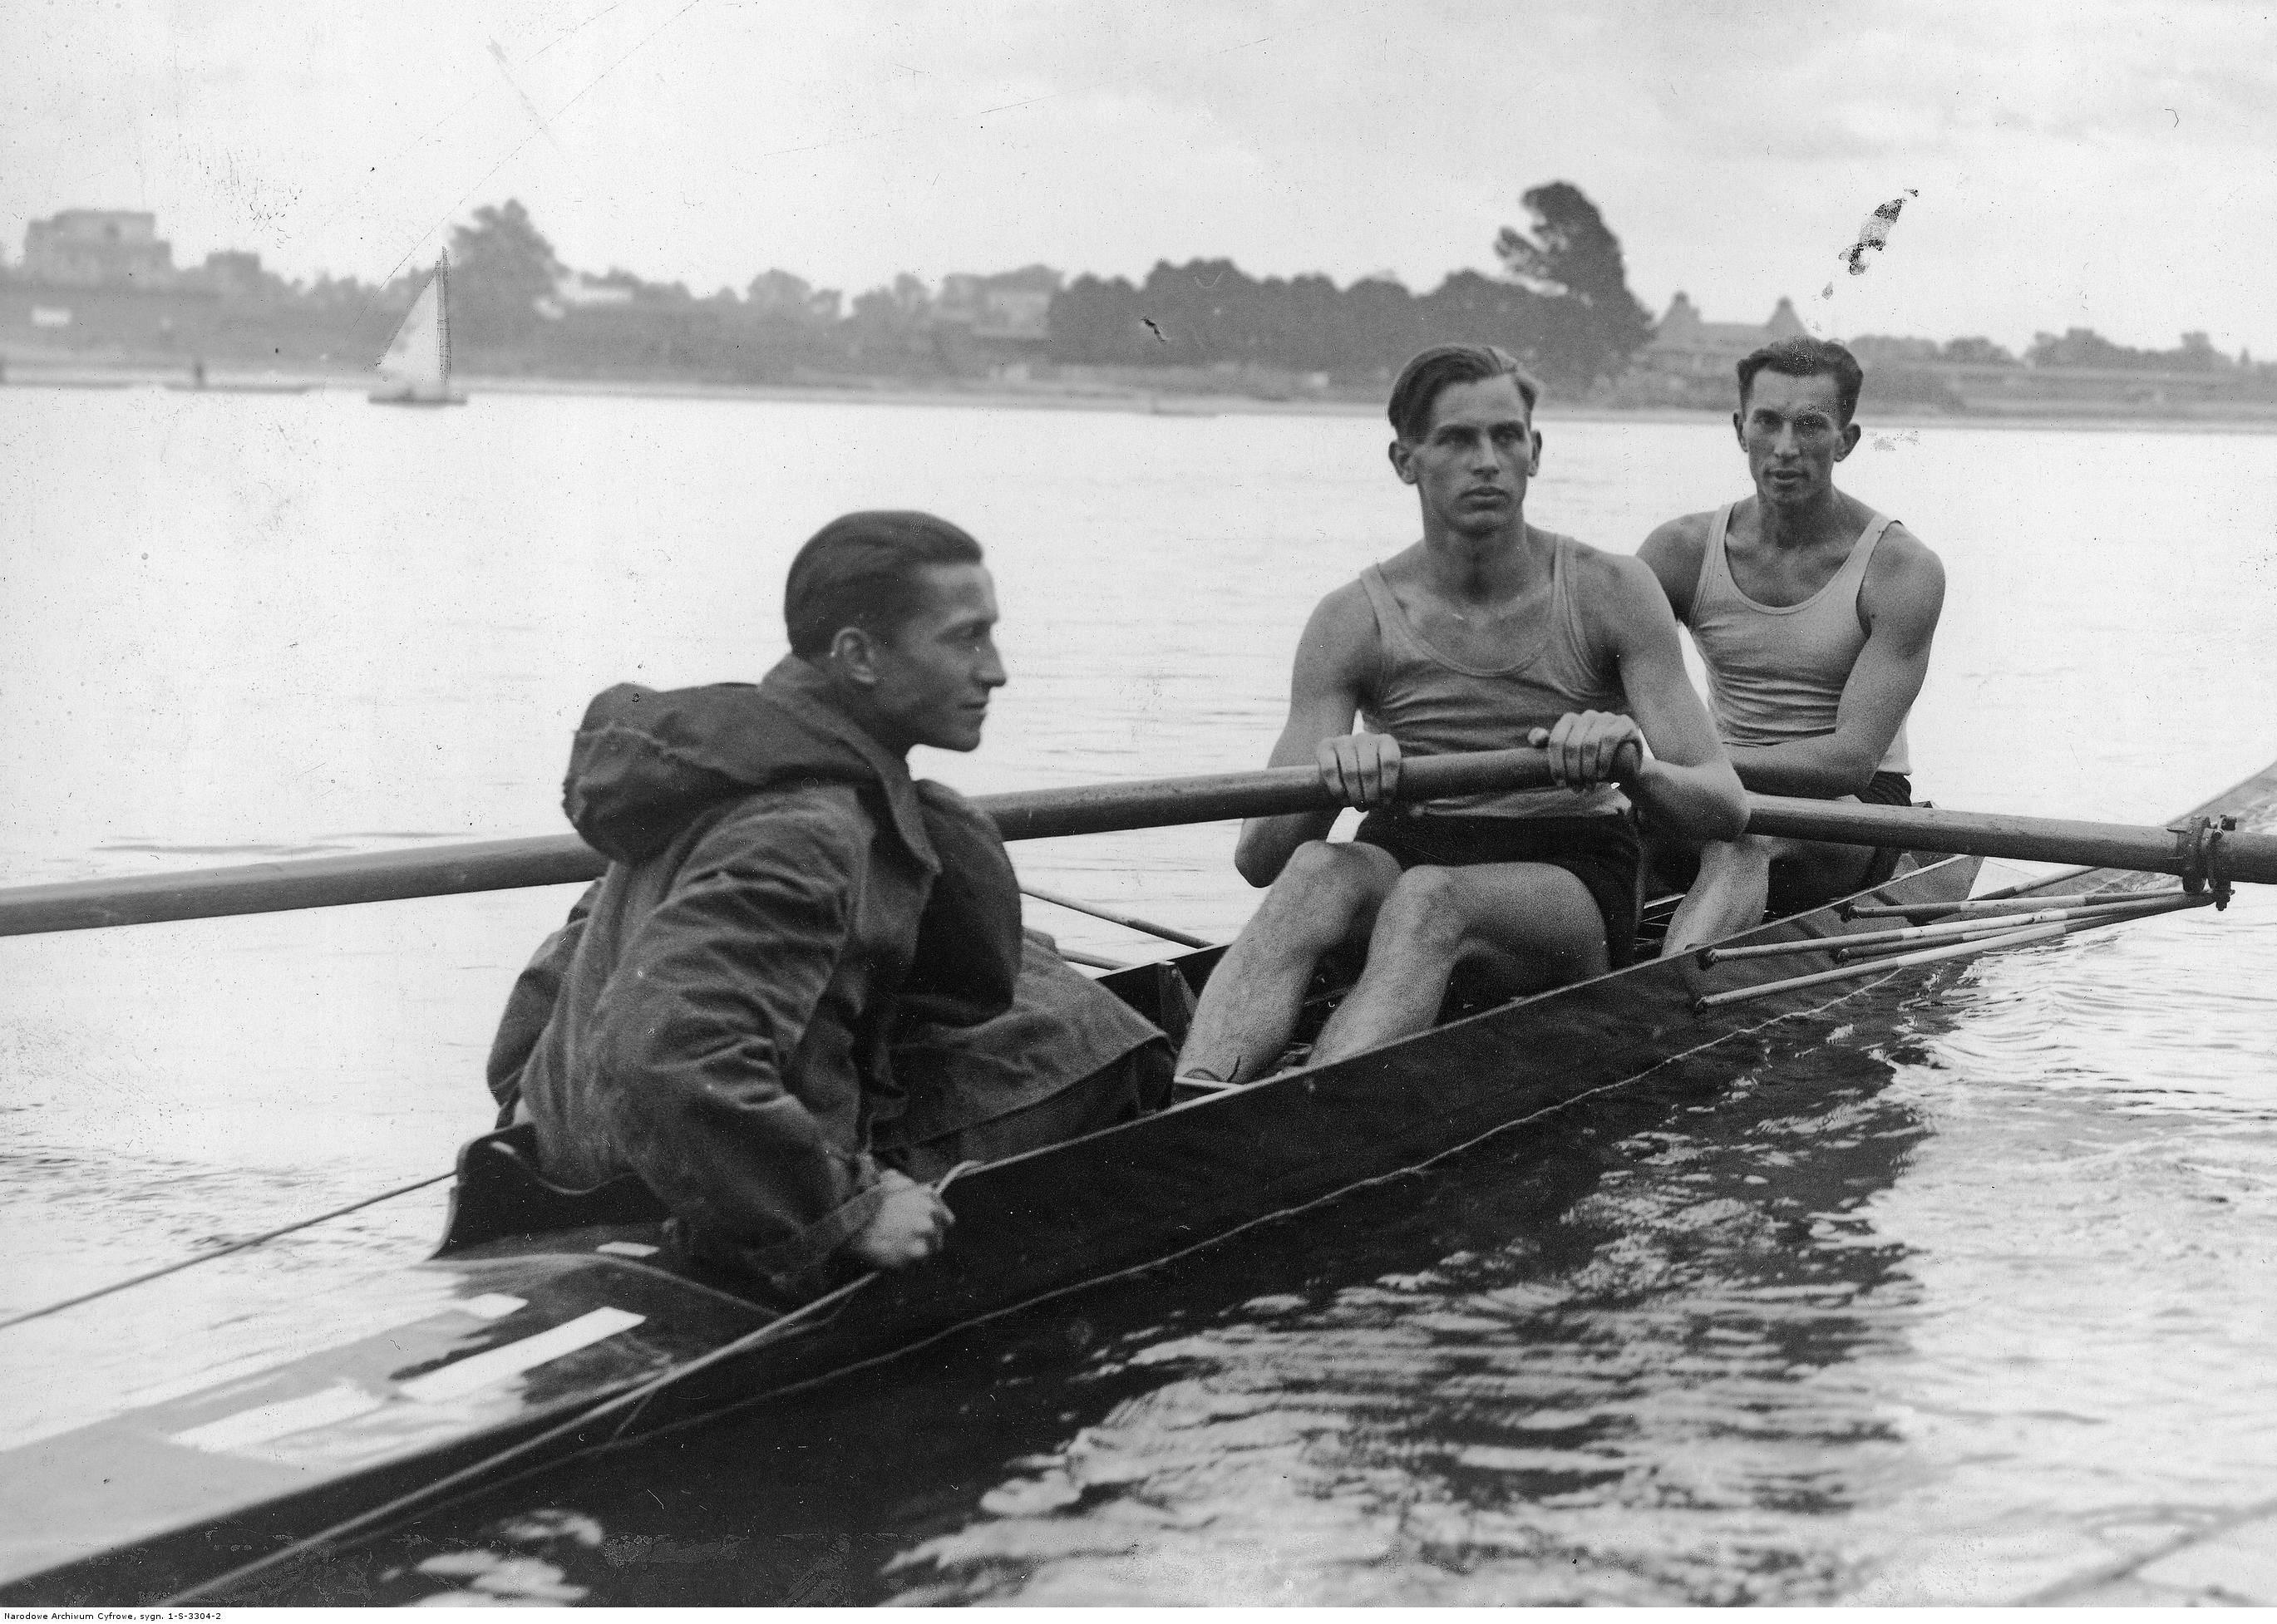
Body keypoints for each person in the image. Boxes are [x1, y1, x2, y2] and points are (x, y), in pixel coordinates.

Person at [487, 511, 1167, 1302]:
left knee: (1037, 974)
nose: (996, 672)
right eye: (965, 639)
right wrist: (844, 1211)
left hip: (588, 1168)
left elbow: (553, 991)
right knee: (1119, 1052)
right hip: (700, 1205)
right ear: (858, 656)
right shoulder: (807, 830)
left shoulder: (730, 763)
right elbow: (664, 1048)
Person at [1172, 345, 1747, 1087]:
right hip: (1408, 844)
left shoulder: (1612, 590)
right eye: (1455, 439)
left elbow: (1724, 806)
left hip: (1567, 871)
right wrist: (1328, 782)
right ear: (1403, 461)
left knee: (1430, 898)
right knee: (1315, 871)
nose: (1486, 461)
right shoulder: (1351, 619)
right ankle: (1196, 1100)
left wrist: (1633, 768)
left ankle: (1304, 1113)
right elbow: (1260, 862)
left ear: (1534, 452)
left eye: (1505, 437)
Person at [1637, 337, 1946, 957]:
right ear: (1739, 429)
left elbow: (1850, 761)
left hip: (1852, 809)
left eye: (1809, 425)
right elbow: (1596, 681)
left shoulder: (1900, 568)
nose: (1784, 447)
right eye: (1767, 422)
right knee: (1601, 826)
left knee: (1744, 835)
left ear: (1845, 441)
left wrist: (1684, 767)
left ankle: (1673, 992)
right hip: (1714, 783)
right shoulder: (1677, 551)